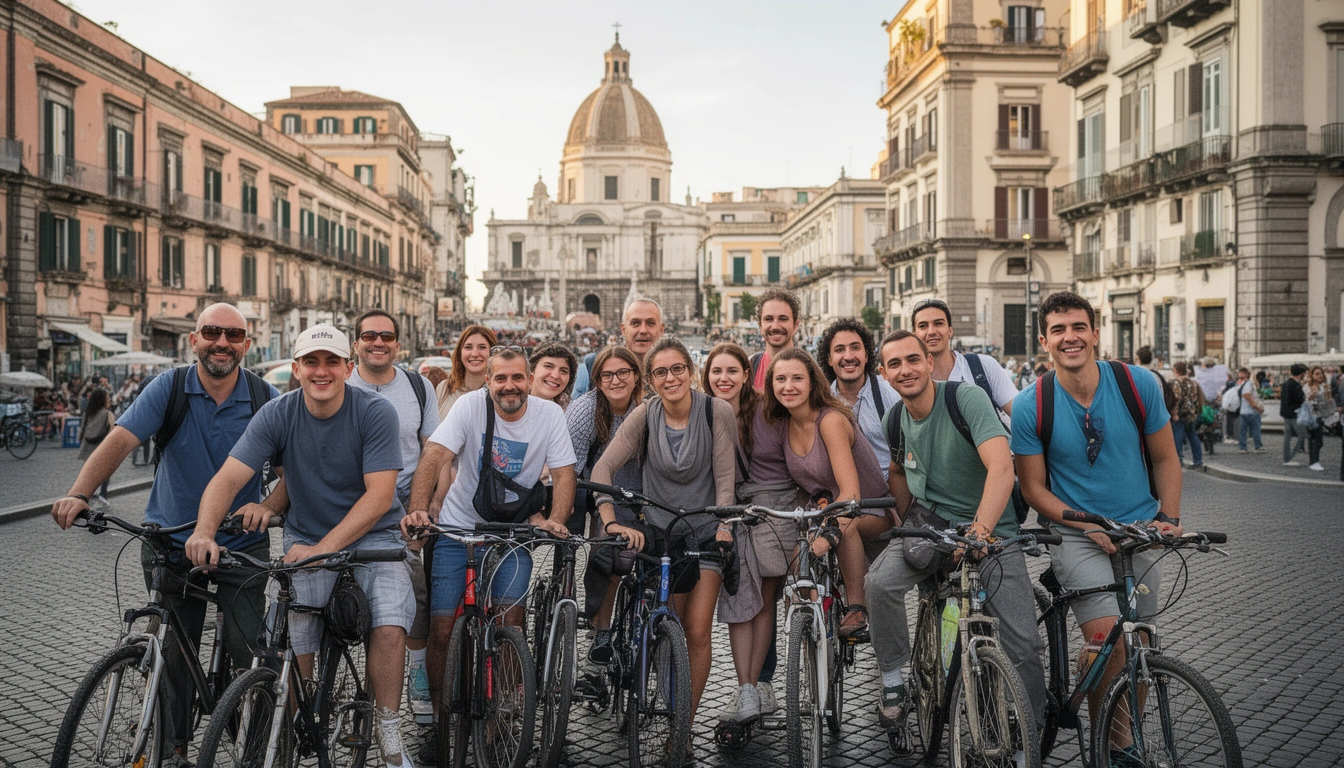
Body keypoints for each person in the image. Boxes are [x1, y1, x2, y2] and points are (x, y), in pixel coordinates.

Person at [52, 303, 283, 768]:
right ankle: (175, 749)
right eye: (211, 332)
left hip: (240, 545)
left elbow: (291, 472)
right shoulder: (169, 388)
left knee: (251, 652)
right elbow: (120, 440)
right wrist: (80, 492)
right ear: (194, 340)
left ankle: (256, 745)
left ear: (246, 344)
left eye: (233, 335)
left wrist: (269, 505)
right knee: (174, 654)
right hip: (171, 543)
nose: (222, 342)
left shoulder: (266, 398)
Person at [189, 323, 415, 768]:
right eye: (311, 362)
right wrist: (203, 530)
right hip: (307, 536)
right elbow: (229, 477)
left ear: (348, 368)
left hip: (376, 536)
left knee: (390, 624)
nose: (321, 371)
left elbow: (379, 497)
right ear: (296, 369)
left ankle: (389, 729)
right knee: (296, 636)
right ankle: (294, 722)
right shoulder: (278, 413)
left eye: (332, 361)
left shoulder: (375, 412)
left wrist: (322, 550)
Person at [1011, 292, 1183, 764]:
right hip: (1075, 533)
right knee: (1107, 636)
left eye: (1078, 327)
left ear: (1095, 333)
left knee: (1139, 642)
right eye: (1059, 330)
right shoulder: (1031, 404)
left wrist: (1168, 518)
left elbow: (1166, 458)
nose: (1070, 338)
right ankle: (1108, 749)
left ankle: (1124, 740)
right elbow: (1033, 488)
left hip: (1138, 529)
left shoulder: (1137, 383)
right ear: (1045, 341)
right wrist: (1083, 522)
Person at [867, 329, 1045, 733]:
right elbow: (897, 470)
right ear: (884, 374)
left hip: (992, 528)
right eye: (894, 364)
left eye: (913, 359)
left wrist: (981, 531)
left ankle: (1028, 736)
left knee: (1023, 645)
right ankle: (893, 681)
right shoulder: (894, 419)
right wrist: (904, 525)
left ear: (930, 362)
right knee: (878, 583)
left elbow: (1002, 467)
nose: (905, 369)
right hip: (931, 525)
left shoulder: (966, 399)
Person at [402, 347, 576, 729]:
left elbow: (565, 473)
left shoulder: (549, 415)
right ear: (488, 382)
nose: (509, 386)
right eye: (500, 378)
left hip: (513, 533)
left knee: (511, 624)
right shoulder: (469, 406)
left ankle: (505, 711)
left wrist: (556, 519)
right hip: (458, 530)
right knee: (442, 630)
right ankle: (441, 714)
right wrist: (418, 508)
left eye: (517, 378)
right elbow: (434, 455)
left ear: (529, 380)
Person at [590, 336, 736, 743]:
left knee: (697, 631)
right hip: (660, 536)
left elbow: (726, 479)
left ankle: (682, 728)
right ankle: (664, 697)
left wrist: (725, 525)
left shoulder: (716, 411)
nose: (670, 378)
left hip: (706, 532)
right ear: (650, 380)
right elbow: (603, 469)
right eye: (660, 372)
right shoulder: (645, 414)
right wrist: (610, 522)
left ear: (691, 372)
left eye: (677, 369)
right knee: (667, 627)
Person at [348, 310, 441, 729]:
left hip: (401, 510)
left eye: (387, 336)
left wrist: (427, 505)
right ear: (356, 343)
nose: (378, 343)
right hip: (346, 507)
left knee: (414, 596)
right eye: (369, 335)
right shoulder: (338, 383)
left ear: (398, 345)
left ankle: (417, 677)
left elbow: (433, 453)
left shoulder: (419, 387)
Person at [765, 348, 891, 640]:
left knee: (846, 527)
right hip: (825, 513)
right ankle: (810, 634)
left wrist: (828, 535)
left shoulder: (831, 420)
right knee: (798, 558)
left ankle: (857, 608)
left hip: (869, 510)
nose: (788, 386)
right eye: (781, 379)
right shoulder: (784, 425)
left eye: (797, 378)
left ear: (812, 382)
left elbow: (850, 494)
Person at [704, 342, 797, 723]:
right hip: (731, 512)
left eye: (732, 371)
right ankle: (746, 688)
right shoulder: (704, 412)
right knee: (739, 599)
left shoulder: (769, 410)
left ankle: (756, 684)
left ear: (746, 374)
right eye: (716, 371)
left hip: (775, 509)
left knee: (764, 601)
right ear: (707, 376)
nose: (724, 378)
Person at [567, 346, 645, 693]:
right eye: (607, 375)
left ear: (636, 376)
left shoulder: (649, 405)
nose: (615, 381)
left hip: (642, 489)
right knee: (608, 553)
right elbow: (569, 467)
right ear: (596, 380)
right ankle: (600, 637)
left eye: (623, 373)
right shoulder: (585, 410)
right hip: (598, 489)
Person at [910, 298, 1018, 420]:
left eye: (938, 323)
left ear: (950, 330)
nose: (931, 331)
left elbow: (1021, 415)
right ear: (914, 334)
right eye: (923, 326)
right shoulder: (908, 379)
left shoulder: (983, 366)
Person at [819, 318, 899, 481]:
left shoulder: (891, 393)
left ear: (866, 355)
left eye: (855, 348)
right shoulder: (821, 402)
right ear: (829, 359)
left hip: (886, 490)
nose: (848, 356)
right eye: (839, 349)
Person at [572, 298, 665, 397]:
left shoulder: (674, 372)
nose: (643, 330)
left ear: (661, 329)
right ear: (623, 330)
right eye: (635, 323)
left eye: (650, 323)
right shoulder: (590, 368)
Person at [434, 324, 496, 420]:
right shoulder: (444, 389)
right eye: (468, 347)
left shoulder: (500, 392)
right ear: (460, 352)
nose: (474, 354)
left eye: (482, 347)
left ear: (493, 353)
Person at [749, 288, 801, 391]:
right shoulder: (749, 366)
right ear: (760, 326)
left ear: (795, 325)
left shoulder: (810, 370)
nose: (775, 326)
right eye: (768, 319)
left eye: (783, 319)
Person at [77, 389, 115, 503]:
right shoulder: (108, 414)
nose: (109, 400)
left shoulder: (87, 413)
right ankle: (103, 494)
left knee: (89, 471)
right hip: (101, 446)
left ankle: (86, 494)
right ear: (102, 400)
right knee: (106, 470)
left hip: (88, 445)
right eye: (107, 398)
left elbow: (82, 430)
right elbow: (112, 432)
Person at [1169, 361, 1205, 468]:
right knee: (1193, 435)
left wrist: (1174, 413)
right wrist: (1196, 410)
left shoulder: (1176, 383)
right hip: (1191, 413)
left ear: (1176, 370)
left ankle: (1179, 460)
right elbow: (1198, 397)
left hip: (1180, 413)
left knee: (1178, 436)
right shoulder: (1193, 382)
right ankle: (1198, 460)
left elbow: (1176, 398)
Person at [1304, 365, 1336, 472]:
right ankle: (1314, 462)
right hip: (1311, 416)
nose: (1320, 376)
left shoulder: (1325, 386)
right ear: (1312, 376)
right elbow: (1306, 401)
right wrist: (1312, 394)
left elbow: (1329, 403)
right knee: (1315, 439)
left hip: (1321, 415)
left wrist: (1328, 396)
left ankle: (1313, 461)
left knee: (1316, 440)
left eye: (1321, 373)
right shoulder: (1307, 387)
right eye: (1317, 374)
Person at [528, 341, 577, 408]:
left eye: (563, 371)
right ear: (532, 369)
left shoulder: (573, 410)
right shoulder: (515, 404)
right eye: (548, 366)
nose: (555, 376)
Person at [1229, 368, 1265, 452]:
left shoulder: (1242, 384)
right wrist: (1256, 406)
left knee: (1243, 431)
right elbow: (1246, 394)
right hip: (1251, 411)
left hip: (1243, 411)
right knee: (1255, 429)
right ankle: (1258, 446)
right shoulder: (1248, 384)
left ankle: (1242, 447)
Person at [1280, 363, 1309, 466]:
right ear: (1301, 374)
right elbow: (1299, 399)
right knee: (1302, 433)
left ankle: (1287, 458)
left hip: (1286, 413)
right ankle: (1291, 456)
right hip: (1294, 413)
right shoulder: (1295, 385)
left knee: (1287, 436)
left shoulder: (1286, 383)